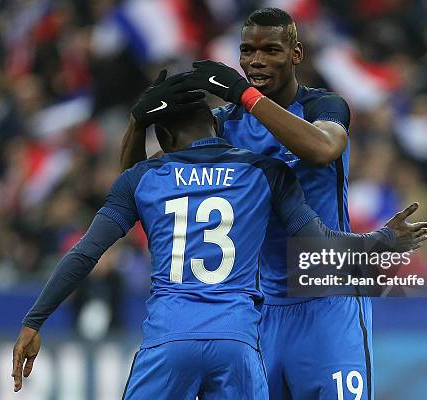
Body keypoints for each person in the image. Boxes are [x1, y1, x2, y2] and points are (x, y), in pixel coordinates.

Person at [14, 74, 427, 399]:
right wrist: (383, 240)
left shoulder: (147, 178)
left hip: (169, 338)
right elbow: (319, 242)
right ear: (216, 125)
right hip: (239, 340)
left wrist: (34, 321)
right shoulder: (265, 173)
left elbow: (85, 252)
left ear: (166, 141)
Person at [119, 7, 379, 400]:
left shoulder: (323, 107)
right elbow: (139, 185)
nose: (256, 61)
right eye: (247, 51)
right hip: (262, 310)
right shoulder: (224, 125)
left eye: (271, 50)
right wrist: (138, 121)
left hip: (330, 303)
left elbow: (323, 149)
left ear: (296, 53)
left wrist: (245, 93)